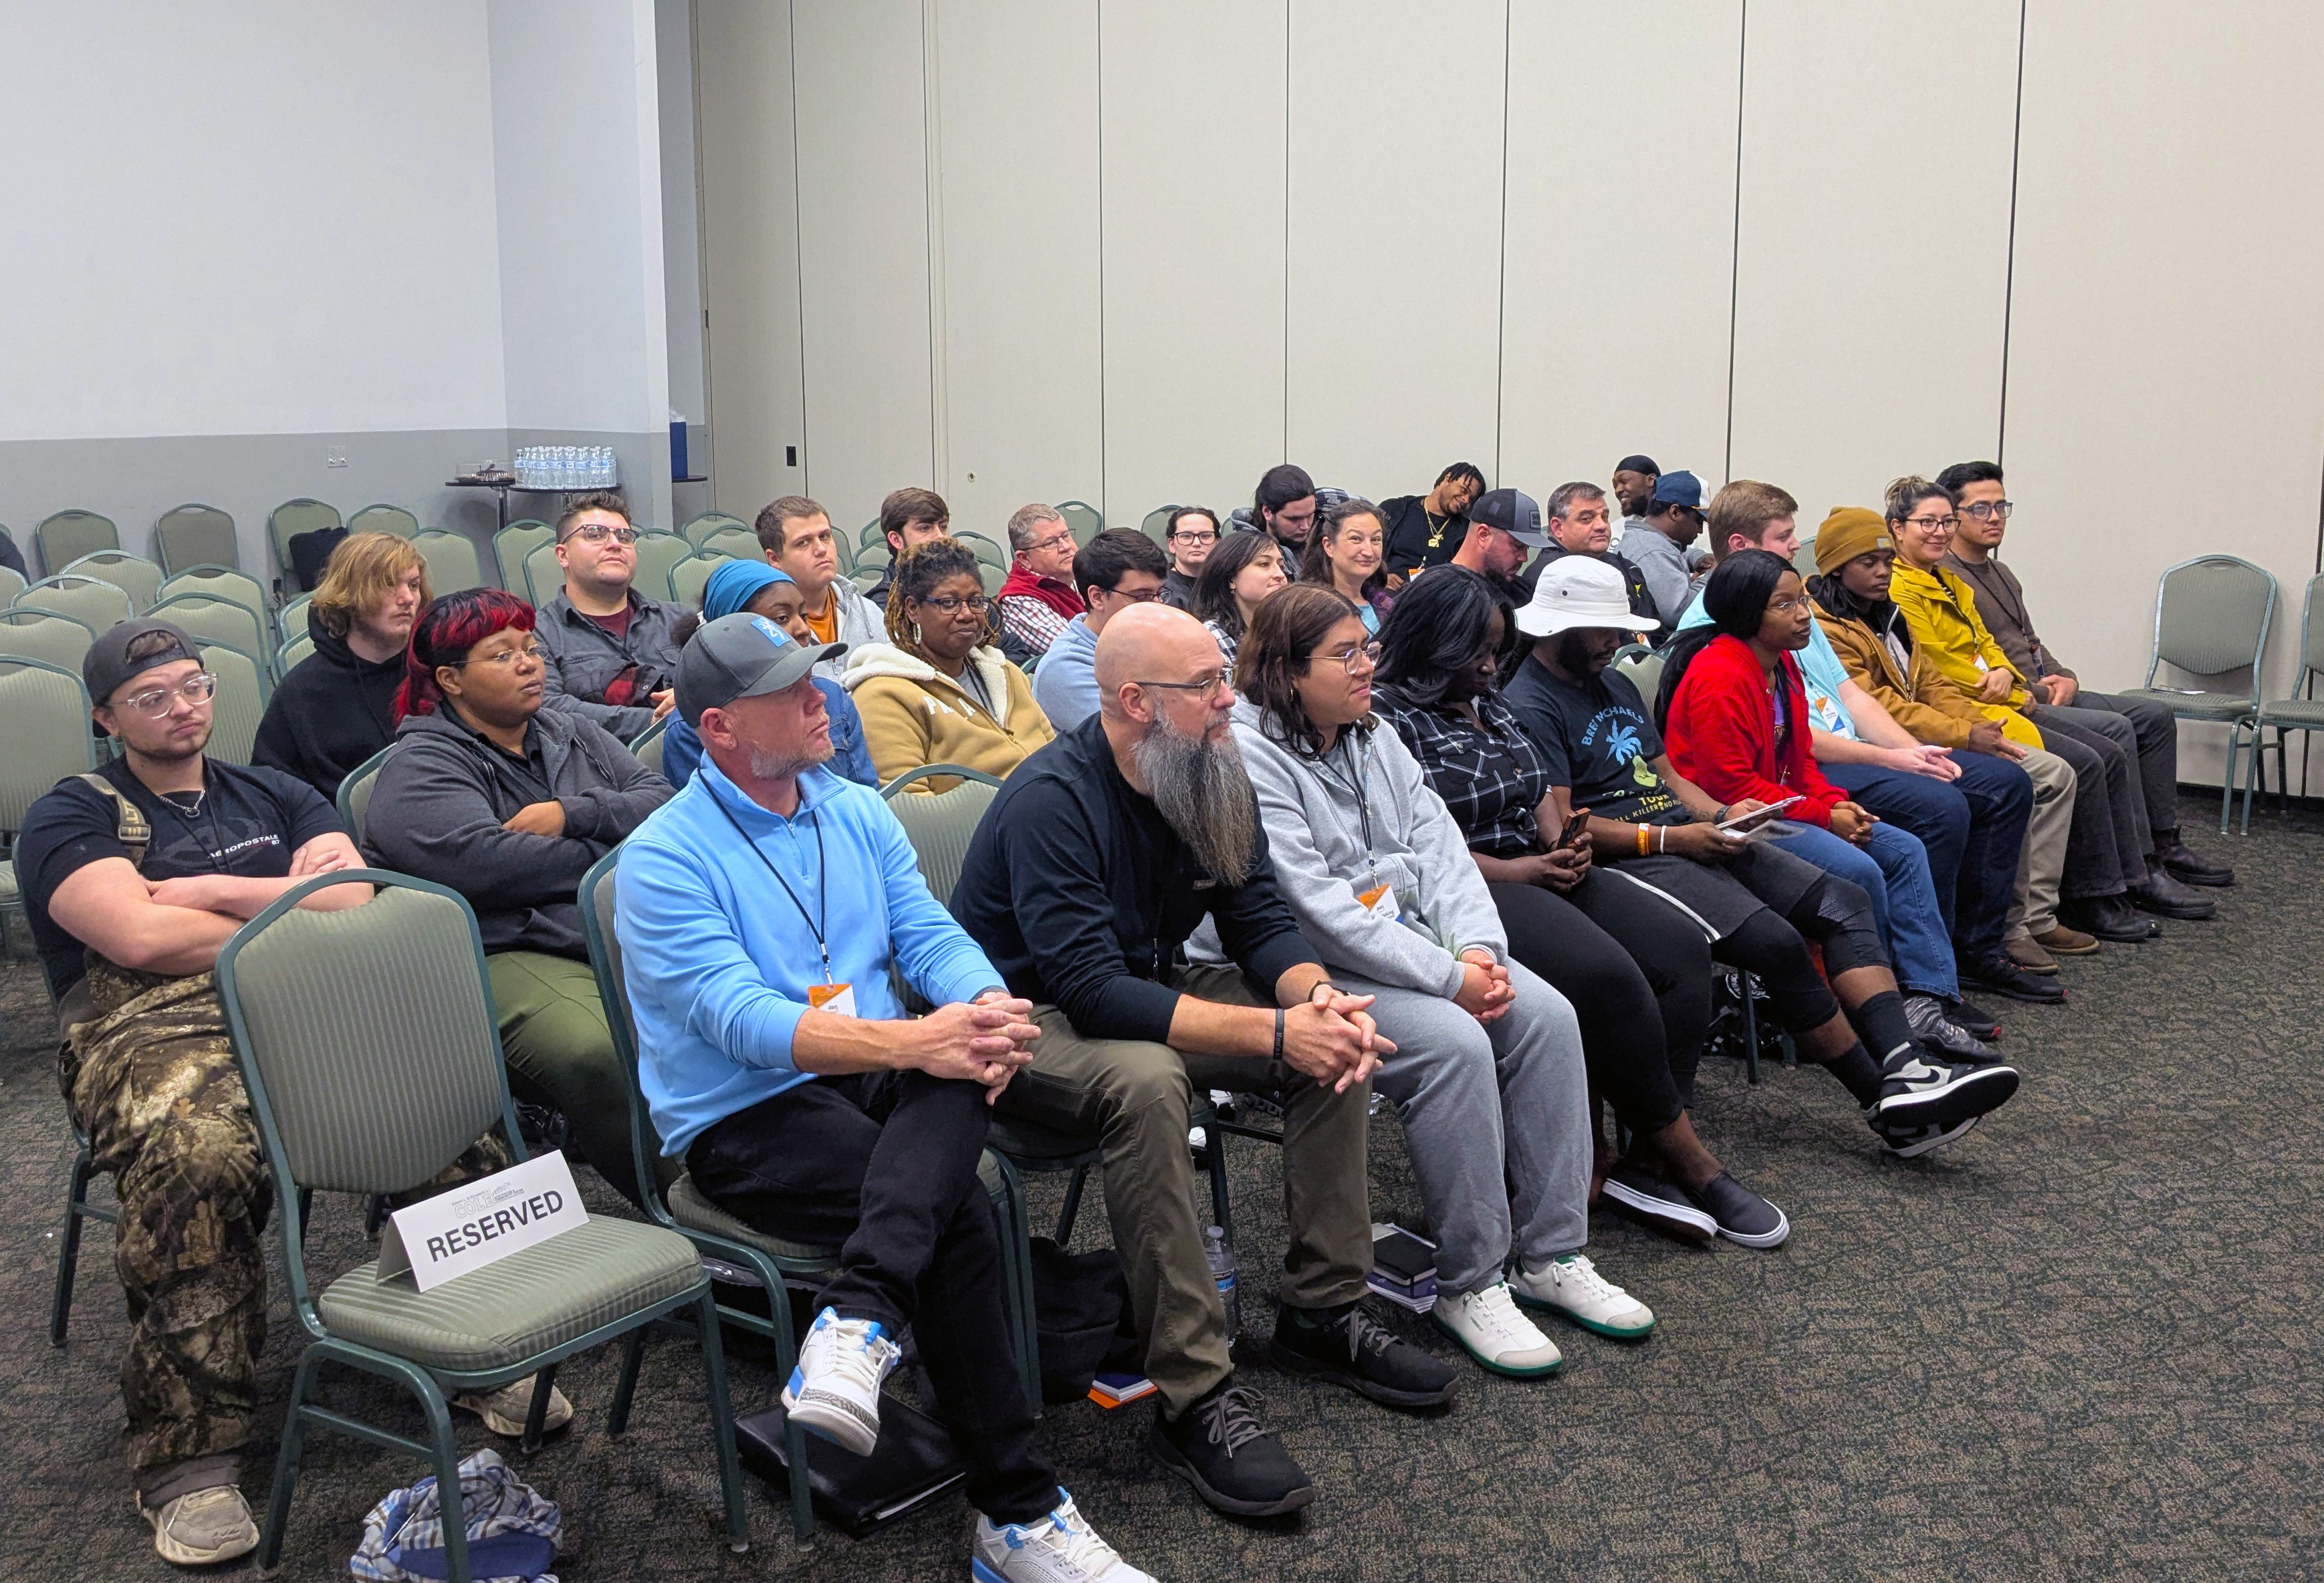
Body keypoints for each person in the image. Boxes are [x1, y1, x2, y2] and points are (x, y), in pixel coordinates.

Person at [616, 613, 1154, 1583]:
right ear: (720, 728)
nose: (820, 699)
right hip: (744, 1113)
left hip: (864, 1072)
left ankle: (857, 1323)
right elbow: (739, 1020)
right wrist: (919, 1040)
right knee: (954, 1213)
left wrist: (983, 1007)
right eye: (788, 690)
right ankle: (1017, 1513)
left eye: (814, 677)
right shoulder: (663, 857)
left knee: (961, 1067)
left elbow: (928, 934)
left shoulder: (854, 810)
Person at [15, 620, 523, 1568]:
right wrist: (279, 900)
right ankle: (188, 1457)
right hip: (152, 1027)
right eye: (152, 697)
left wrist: (190, 892)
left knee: (441, 1090)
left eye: (194, 686)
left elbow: (353, 899)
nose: (182, 708)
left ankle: (466, 1340)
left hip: (305, 996)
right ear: (105, 717)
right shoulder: (72, 814)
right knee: (198, 1155)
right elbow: (138, 941)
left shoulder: (275, 791)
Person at [952, 603, 1458, 1520]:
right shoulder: (1051, 802)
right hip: (1025, 1024)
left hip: (1144, 984)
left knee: (1333, 1038)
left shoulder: (1209, 768)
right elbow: (1091, 992)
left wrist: (1314, 1001)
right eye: (1205, 685)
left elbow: (1259, 920)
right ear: (1135, 702)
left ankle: (1322, 1312)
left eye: (1224, 676)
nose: (1230, 699)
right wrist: (1275, 1033)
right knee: (1150, 1083)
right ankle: (1193, 1394)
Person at [1218, 584, 1656, 1373]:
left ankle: (1550, 1255)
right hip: (1306, 971)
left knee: (1547, 1017)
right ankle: (1471, 1281)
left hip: (1413, 946)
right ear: (1286, 672)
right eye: (1344, 655)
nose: (1366, 666)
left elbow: (1441, 851)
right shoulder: (1249, 754)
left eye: (1366, 648)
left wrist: (1478, 952)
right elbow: (1314, 910)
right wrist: (1449, 980)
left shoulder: (1371, 730)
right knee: (1455, 1044)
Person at [1478, 565, 2024, 1161]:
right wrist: (1673, 840)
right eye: (1603, 630)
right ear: (1559, 629)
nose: (1617, 640)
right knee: (1778, 943)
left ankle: (1907, 1066)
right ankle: (1884, 1100)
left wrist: (1720, 815)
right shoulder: (1530, 703)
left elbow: (1669, 779)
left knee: (1844, 901)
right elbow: (1562, 826)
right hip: (1636, 856)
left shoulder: (1614, 685)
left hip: (1686, 832)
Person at [1676, 480, 2093, 980]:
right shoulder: (1723, 649)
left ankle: (1961, 960)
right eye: (1785, 537)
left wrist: (1911, 756)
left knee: (1997, 787)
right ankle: (1904, 976)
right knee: (1933, 814)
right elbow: (1743, 776)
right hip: (1781, 789)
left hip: (1810, 774)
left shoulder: (1785, 640)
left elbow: (1848, 702)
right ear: (1741, 548)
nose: (1795, 548)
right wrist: (1847, 794)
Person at [366, 590, 673, 1209]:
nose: (529, 663)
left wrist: (572, 814)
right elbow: (491, 867)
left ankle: (768, 1176)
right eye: (502, 654)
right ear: (451, 680)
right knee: (598, 1049)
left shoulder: (570, 729)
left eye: (530, 648)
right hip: (501, 950)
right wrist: (614, 856)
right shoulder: (421, 765)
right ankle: (686, 1205)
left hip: (606, 929)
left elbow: (663, 802)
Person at [1658, 552, 1994, 1058]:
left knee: (1904, 850)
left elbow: (1800, 759)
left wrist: (1837, 803)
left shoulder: (1783, 665)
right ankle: (1865, 1012)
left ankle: (1926, 999)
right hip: (1735, 821)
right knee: (1859, 870)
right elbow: (1729, 786)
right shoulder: (1719, 674)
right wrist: (1823, 816)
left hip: (1780, 806)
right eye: (1785, 605)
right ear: (1748, 614)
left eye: (1802, 600)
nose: (1803, 615)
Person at [1883, 476, 2208, 941]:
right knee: (2088, 760)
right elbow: (1936, 666)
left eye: (1946, 522)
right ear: (1898, 528)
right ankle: (2090, 895)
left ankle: (2133, 873)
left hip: (2006, 695)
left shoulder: (1957, 580)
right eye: (1928, 522)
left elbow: (1993, 644)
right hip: (1976, 706)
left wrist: (2011, 674)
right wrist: (2016, 689)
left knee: (2117, 739)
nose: (1941, 531)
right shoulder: (1903, 587)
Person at [1936, 459, 2232, 889]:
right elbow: (1974, 664)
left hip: (2048, 688)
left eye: (2001, 506)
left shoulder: (2001, 572)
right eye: (1981, 508)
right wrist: (2040, 689)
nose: (1995, 517)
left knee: (2155, 716)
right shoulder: (1947, 579)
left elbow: (2030, 641)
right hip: (2020, 698)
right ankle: (2139, 866)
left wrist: (2065, 675)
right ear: (1953, 515)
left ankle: (2164, 843)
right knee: (2115, 729)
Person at [1803, 510, 2060, 1005]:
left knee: (2009, 783)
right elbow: (1875, 703)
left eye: (1886, 561)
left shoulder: (1889, 613)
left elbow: (1932, 684)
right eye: (1868, 563)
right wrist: (1957, 737)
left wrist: (1976, 726)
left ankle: (1980, 946)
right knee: (1944, 804)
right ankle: (1928, 965)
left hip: (1903, 735)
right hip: (1861, 744)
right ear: (1836, 567)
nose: (1883, 572)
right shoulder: (1825, 624)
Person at [844, 539, 1054, 790]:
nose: (967, 614)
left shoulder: (1007, 673)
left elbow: (1059, 758)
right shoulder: (882, 695)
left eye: (975, 601)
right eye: (949, 603)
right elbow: (906, 803)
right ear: (913, 609)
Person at [661, 560, 877, 789]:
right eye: (782, 618)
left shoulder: (832, 696)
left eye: (804, 615)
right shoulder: (692, 729)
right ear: (732, 631)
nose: (804, 629)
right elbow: (714, 806)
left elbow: (867, 795)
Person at [253, 531, 431, 799]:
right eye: (388, 584)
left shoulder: (433, 670)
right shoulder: (302, 691)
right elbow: (269, 792)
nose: (407, 598)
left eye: (414, 585)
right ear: (351, 595)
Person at [532, 491, 682, 743]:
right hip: (597, 761)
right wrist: (658, 719)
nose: (615, 544)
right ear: (563, 555)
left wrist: (689, 697)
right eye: (595, 534)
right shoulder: (538, 633)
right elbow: (549, 708)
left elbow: (724, 681)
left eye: (624, 536)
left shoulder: (677, 619)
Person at [1032, 529, 1169, 729]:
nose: (1157, 606)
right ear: (1097, 597)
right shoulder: (1065, 668)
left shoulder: (1146, 642)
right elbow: (1134, 737)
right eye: (1141, 597)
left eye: (1160, 593)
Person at [755, 493, 884, 675]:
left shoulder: (869, 612)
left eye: (824, 536)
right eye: (803, 543)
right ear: (774, 559)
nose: (821, 549)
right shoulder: (767, 629)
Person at [1535, 481, 1655, 622]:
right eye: (1586, 519)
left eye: (1604, 517)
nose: (1602, 526)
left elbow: (1655, 625)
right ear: (1558, 528)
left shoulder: (1627, 567)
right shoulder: (1547, 576)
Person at [1615, 470, 1712, 630]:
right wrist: (1713, 575)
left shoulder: (1646, 539)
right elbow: (1678, 614)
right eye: (1698, 520)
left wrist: (1698, 557)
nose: (1700, 530)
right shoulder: (1652, 552)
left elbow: (1675, 550)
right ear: (1675, 512)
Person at [1189, 527, 1290, 673]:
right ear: (1231, 579)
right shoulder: (1212, 637)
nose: (1280, 574)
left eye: (1281, 566)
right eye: (1264, 564)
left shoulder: (1289, 628)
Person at [995, 502, 1086, 660]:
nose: (1065, 547)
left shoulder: (1075, 575)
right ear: (1025, 558)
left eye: (1066, 536)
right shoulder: (1019, 600)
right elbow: (1078, 651)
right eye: (1050, 543)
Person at [1298, 495, 1393, 633]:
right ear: (1329, 546)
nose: (1369, 551)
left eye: (1376, 539)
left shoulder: (1387, 607)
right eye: (1356, 539)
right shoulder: (1310, 609)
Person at [1379, 462, 1487, 583]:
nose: (1466, 500)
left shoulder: (1464, 532)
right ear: (1447, 479)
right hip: (1386, 590)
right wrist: (1381, 578)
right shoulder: (1395, 509)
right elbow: (1368, 550)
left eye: (1471, 499)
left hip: (1431, 593)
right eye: (1464, 490)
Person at [1446, 487, 1552, 599]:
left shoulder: (1526, 593)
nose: (1524, 558)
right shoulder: (1442, 593)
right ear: (1484, 535)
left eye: (1528, 547)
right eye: (1518, 545)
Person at [862, 486, 953, 608]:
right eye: (925, 528)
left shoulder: (960, 587)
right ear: (896, 540)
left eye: (943, 527)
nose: (941, 536)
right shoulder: (882, 605)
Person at [1230, 463, 1318, 559]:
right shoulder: (1243, 558)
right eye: (1294, 519)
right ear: (1267, 512)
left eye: (1310, 515)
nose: (1305, 526)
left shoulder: (1322, 544)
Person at [1159, 505, 1220, 610]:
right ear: (1172, 545)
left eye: (1205, 536)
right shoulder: (1161, 590)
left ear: (1218, 543)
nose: (1197, 543)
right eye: (1187, 536)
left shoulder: (1228, 586)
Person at [1611, 455, 1661, 519]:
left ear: (1651, 480)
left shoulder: (1671, 519)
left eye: (1624, 481)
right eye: (1615, 485)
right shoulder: (1619, 526)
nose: (1618, 490)